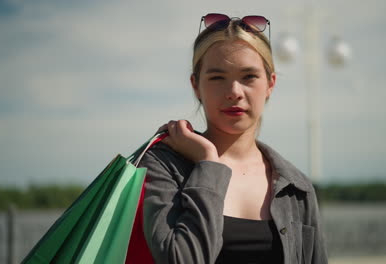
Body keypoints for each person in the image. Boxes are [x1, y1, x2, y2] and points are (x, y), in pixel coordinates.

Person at [140, 13, 328, 264]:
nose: (234, 92)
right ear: (196, 86)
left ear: (270, 83)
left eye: (249, 76)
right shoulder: (163, 166)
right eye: (217, 78)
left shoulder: (296, 187)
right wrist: (209, 164)